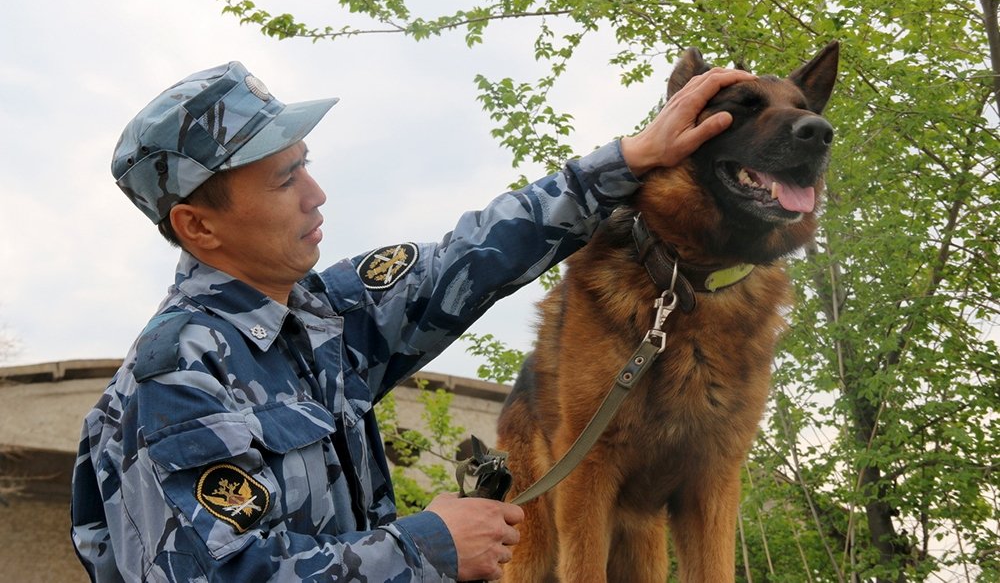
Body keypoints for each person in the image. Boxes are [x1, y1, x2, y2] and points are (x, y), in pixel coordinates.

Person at [70, 60, 754, 582]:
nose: (317, 194)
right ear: (198, 224)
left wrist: (632, 157)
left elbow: (474, 256)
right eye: (284, 181)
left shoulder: (325, 315)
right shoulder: (176, 379)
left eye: (304, 164)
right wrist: (426, 545)